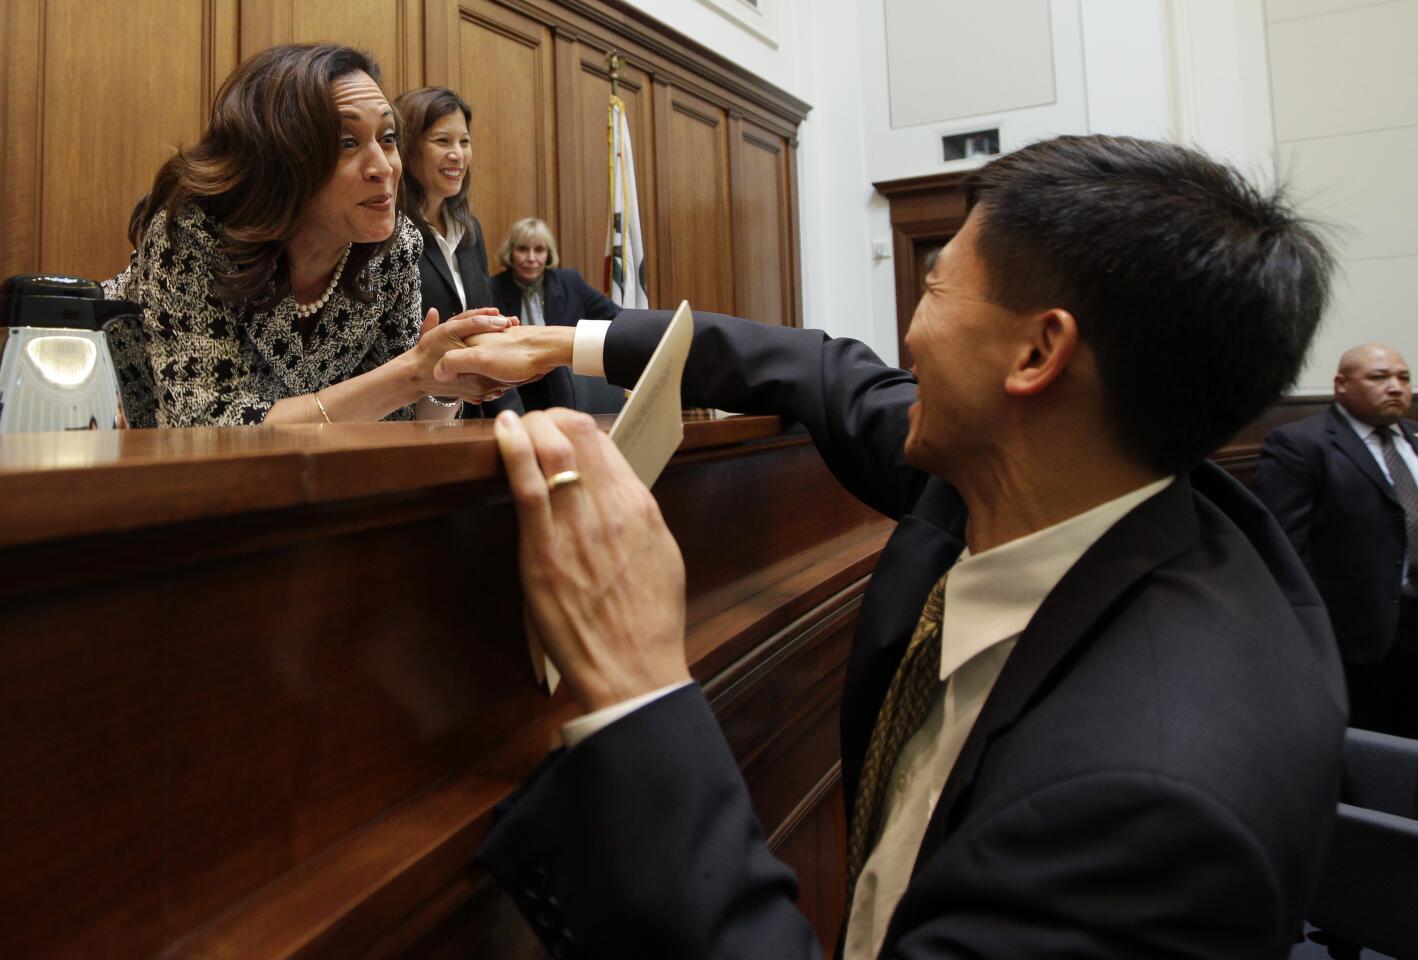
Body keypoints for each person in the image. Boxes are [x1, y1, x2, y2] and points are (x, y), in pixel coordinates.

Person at [444, 135, 1347, 958]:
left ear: (1038, 355)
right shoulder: (1052, 473)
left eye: (934, 289)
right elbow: (824, 372)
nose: (909, 333)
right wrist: (573, 341)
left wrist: (637, 688)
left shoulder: (1147, 809)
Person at [102, 43, 513, 428]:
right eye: (347, 143)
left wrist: (440, 379)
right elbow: (206, 426)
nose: (383, 167)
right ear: (277, 159)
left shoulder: (395, 248)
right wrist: (409, 376)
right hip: (113, 446)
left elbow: (395, 418)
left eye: (387, 139)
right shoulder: (198, 232)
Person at [1257, 343, 1418, 737]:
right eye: (1379, 377)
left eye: (1403, 377)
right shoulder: (1300, 445)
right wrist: (1313, 630)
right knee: (1377, 751)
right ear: (1341, 385)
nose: (1396, 387)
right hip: (1360, 636)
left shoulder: (1413, 437)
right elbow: (1286, 548)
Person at [392, 85, 521, 418]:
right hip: (411, 421)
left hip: (480, 417)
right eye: (442, 142)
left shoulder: (470, 230)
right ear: (408, 149)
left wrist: (515, 420)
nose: (458, 155)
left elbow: (488, 336)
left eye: (464, 141)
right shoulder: (390, 233)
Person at [490, 217, 624, 413]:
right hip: (515, 397)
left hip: (568, 393)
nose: (531, 258)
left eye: (539, 250)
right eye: (522, 249)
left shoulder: (570, 282)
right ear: (510, 252)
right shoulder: (493, 288)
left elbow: (615, 317)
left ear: (549, 253)